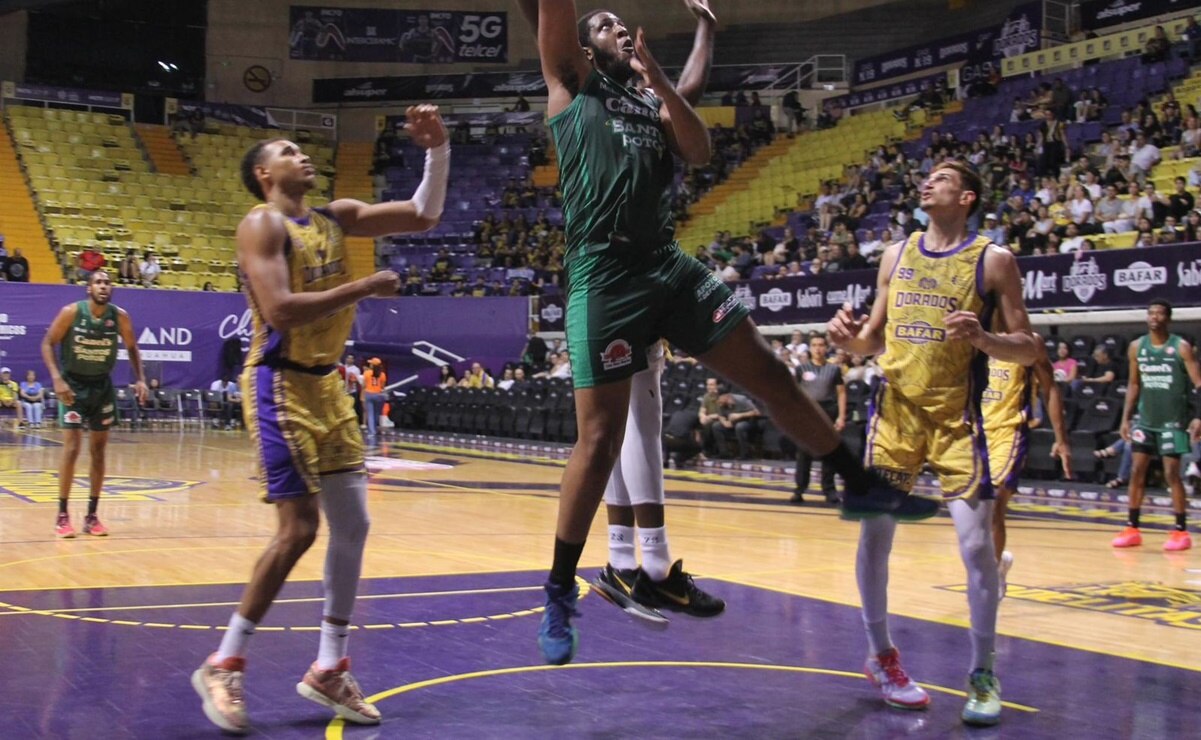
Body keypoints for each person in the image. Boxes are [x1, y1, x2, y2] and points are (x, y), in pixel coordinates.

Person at [518, 0, 923, 668]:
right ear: (584, 50)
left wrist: (704, 29)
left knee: (768, 373)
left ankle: (854, 480)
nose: (621, 27)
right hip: (604, 272)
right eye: (607, 24)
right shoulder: (574, 85)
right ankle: (559, 590)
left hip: (663, 264)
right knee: (598, 443)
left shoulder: (651, 100)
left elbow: (696, 130)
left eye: (624, 21)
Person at [191, 105, 448, 734]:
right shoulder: (262, 223)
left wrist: (437, 151)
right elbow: (278, 310)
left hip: (327, 386)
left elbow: (423, 214)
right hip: (278, 382)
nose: (301, 153)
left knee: (354, 524)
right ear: (263, 175)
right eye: (286, 150)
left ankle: (329, 667)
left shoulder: (336, 217)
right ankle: (224, 661)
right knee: (299, 529)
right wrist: (361, 289)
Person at [827, 161, 1043, 726]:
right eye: (925, 177)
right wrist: (852, 342)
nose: (928, 181)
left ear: (966, 196)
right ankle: (881, 657)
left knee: (976, 549)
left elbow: (1027, 349)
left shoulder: (994, 261)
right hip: (895, 414)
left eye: (942, 178)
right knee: (876, 538)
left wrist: (985, 337)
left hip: (955, 421)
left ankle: (983, 672)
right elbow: (872, 341)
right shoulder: (895, 255)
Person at [591, 342, 724, 624]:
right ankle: (655, 568)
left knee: (615, 418)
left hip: (588, 307)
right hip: (623, 304)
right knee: (641, 415)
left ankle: (622, 561)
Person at [40, 271, 149, 536]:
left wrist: (141, 379)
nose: (103, 286)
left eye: (107, 282)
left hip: (101, 386)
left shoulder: (120, 316)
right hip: (73, 387)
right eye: (98, 282)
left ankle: (92, 516)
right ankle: (63, 515)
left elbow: (133, 347)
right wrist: (56, 378)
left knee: (98, 452)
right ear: (88, 289)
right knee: (72, 449)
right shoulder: (71, 312)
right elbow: (47, 343)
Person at [980, 332, 1071, 598]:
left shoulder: (1029, 342)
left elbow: (1050, 387)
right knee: (975, 511)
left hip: (1010, 430)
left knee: (995, 503)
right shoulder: (975, 332)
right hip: (976, 429)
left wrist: (1061, 438)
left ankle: (991, 576)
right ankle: (995, 563)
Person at [1113, 300, 1201, 552]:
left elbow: (1198, 385)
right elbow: (1134, 385)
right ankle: (1132, 527)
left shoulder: (1181, 348)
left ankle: (1181, 530)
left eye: (1160, 313)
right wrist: (1125, 418)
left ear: (1168, 318)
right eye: (1151, 313)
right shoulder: (1136, 347)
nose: (1154, 317)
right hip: (1146, 420)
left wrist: (1198, 417)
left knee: (1172, 474)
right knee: (1137, 471)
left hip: (1173, 421)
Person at [792, 335, 845, 504]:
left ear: (826, 348)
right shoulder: (801, 369)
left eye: (821, 345)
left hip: (828, 411)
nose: (818, 348)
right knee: (803, 453)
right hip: (807, 412)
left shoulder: (834, 369)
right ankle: (799, 489)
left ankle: (829, 490)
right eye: (814, 345)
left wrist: (842, 416)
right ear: (809, 348)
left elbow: (841, 393)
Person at [361, 358, 387, 437]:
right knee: (376, 413)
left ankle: (372, 432)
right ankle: (374, 428)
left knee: (370, 414)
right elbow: (382, 386)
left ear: (372, 365)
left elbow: (364, 385)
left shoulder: (366, 373)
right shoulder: (382, 374)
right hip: (379, 395)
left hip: (369, 394)